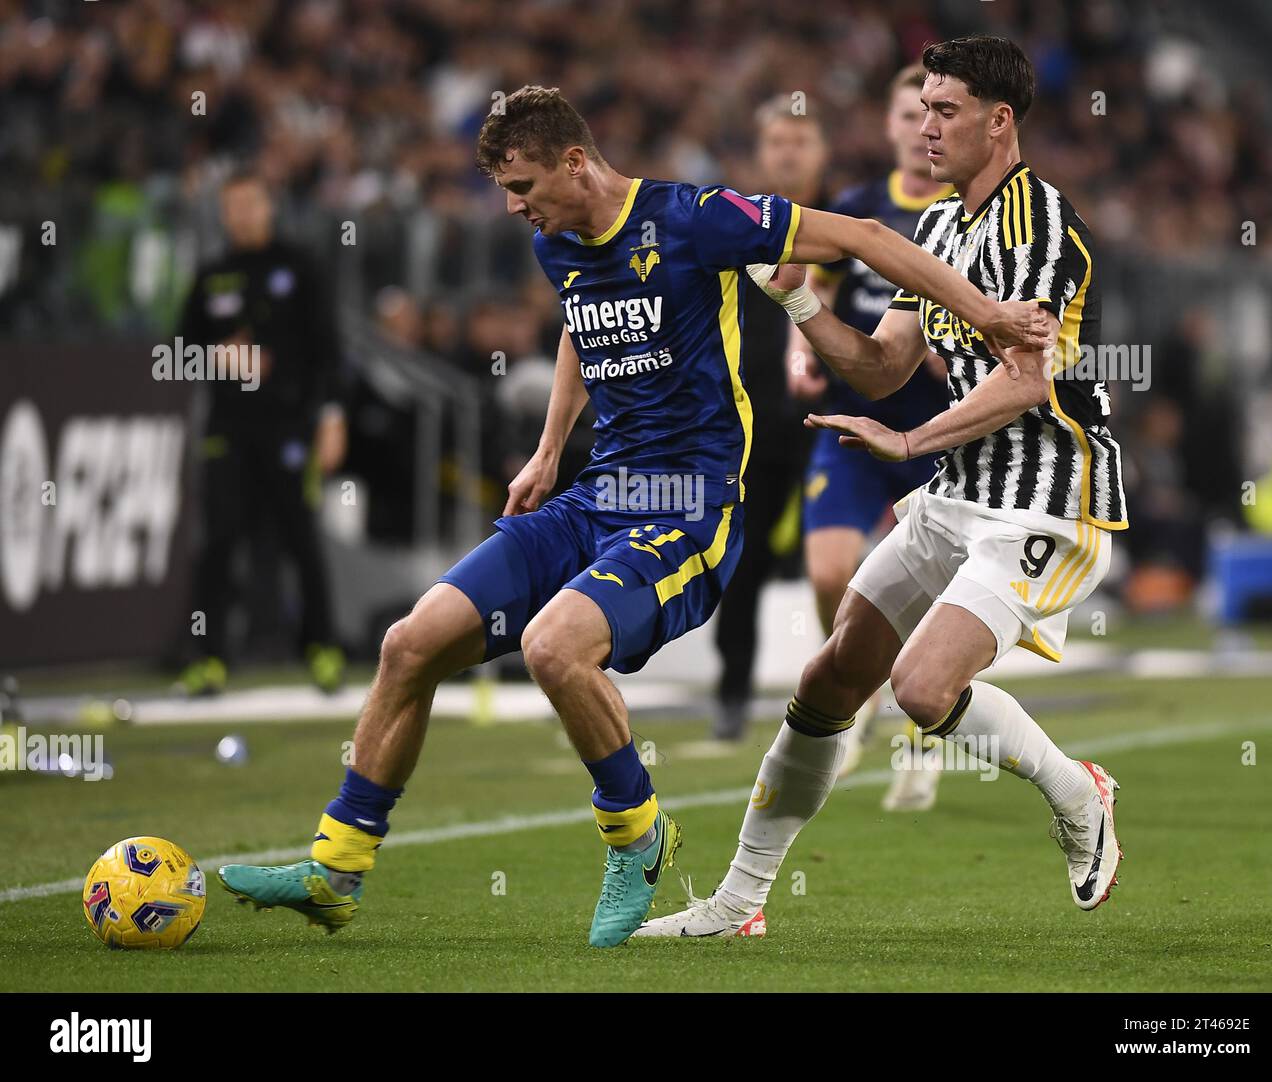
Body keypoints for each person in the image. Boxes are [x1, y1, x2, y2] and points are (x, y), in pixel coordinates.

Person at [217, 85, 1049, 949]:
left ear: (575, 162)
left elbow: (869, 238)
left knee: (553, 648)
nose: (514, 207)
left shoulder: (695, 219)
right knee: (409, 643)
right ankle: (335, 870)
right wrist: (548, 451)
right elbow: (583, 326)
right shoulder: (558, 242)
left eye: (525, 186)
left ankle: (638, 837)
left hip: (689, 509)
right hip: (595, 495)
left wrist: (987, 314)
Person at [637, 35, 1127, 940]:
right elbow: (880, 365)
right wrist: (796, 302)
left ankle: (1077, 791)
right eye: (923, 108)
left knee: (922, 690)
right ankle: (737, 905)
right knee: (830, 681)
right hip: (958, 487)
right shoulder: (937, 228)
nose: (926, 129)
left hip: (1047, 498)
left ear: (999, 120)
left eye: (945, 111)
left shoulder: (1048, 231)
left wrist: (908, 441)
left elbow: (1027, 381)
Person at [790, 63, 954, 803]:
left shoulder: (965, 215)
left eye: (936, 111)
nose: (923, 127)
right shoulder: (856, 209)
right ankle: (852, 689)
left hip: (940, 429)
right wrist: (800, 352)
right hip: (855, 424)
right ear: (890, 125)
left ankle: (924, 722)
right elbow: (809, 290)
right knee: (830, 572)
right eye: (909, 113)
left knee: (928, 588)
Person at [176, 171, 348, 696]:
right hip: (227, 429)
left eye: (251, 203)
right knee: (219, 541)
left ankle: (322, 648)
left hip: (290, 426)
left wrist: (332, 416)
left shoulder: (299, 266)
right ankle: (208, 659)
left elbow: (330, 351)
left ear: (268, 205)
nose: (243, 214)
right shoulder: (211, 275)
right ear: (223, 214)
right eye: (233, 206)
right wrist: (215, 354)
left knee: (301, 538)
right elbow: (176, 353)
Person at [712, 95, 829, 741]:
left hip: (841, 417)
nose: (788, 152)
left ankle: (867, 692)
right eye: (777, 140)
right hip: (757, 421)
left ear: (823, 152)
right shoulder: (733, 228)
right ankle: (733, 694)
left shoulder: (850, 226)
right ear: (761, 153)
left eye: (801, 140)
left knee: (852, 554)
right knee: (745, 558)